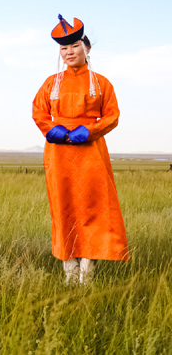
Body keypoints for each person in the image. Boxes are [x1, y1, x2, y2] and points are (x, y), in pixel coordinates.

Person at [32, 15, 128, 283]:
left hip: (91, 153)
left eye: (74, 46)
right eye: (64, 48)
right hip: (59, 152)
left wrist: (91, 130)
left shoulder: (102, 83)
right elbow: (39, 112)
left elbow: (112, 115)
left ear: (86, 48)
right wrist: (52, 130)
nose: (69, 52)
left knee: (92, 207)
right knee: (64, 207)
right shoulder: (51, 83)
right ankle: (69, 270)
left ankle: (88, 268)